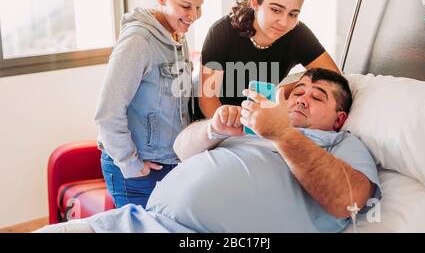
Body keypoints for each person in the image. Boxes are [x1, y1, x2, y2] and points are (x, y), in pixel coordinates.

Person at [38, 69, 381, 233]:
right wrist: (213, 128)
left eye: (317, 96)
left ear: (339, 119)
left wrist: (281, 134)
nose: (301, 97)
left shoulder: (342, 144)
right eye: (297, 91)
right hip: (139, 223)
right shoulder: (255, 127)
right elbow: (181, 149)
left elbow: (347, 201)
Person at [94, 0, 206, 208]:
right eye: (185, 6)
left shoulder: (178, 38)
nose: (194, 16)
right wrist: (131, 164)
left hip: (170, 163)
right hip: (137, 169)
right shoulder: (138, 41)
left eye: (198, 7)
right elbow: (107, 112)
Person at [198, 0, 340, 119]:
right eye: (276, 10)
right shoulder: (222, 32)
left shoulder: (298, 34)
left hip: (258, 121)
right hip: (216, 119)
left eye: (293, 14)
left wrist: (284, 91)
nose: (284, 22)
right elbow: (208, 99)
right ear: (255, 3)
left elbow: (334, 78)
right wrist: (229, 133)